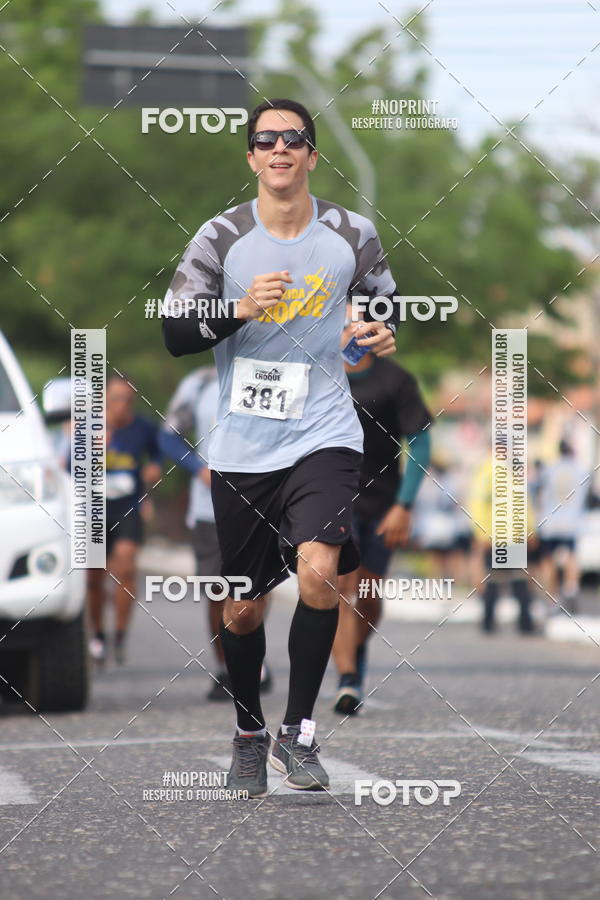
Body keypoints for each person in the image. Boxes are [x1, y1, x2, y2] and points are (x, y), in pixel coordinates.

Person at [162, 98, 399, 797]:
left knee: (321, 573)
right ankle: (247, 731)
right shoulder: (221, 235)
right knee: (242, 605)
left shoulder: (352, 232)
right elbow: (175, 332)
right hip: (241, 444)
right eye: (266, 140)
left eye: (294, 139)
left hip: (323, 431)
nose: (280, 149)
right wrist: (238, 308)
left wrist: (379, 336)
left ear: (312, 156)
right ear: (252, 157)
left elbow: (382, 307)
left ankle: (298, 734)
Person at [332, 308, 431, 715]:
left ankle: (354, 651)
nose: (350, 332)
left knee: (368, 594)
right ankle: (348, 678)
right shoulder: (314, 374)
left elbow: (420, 443)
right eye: (341, 323)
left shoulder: (395, 379)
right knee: (341, 586)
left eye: (358, 324)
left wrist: (404, 506)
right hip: (330, 496)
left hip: (382, 501)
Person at [160, 367, 273, 700]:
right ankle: (226, 666)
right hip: (208, 507)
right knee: (217, 590)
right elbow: (167, 435)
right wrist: (199, 468)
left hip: (258, 503)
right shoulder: (197, 382)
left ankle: (254, 661)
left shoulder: (269, 370)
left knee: (255, 586)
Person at [87, 374, 162, 665]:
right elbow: (68, 467)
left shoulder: (143, 427)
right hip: (94, 509)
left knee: (126, 566)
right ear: (105, 399)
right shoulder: (90, 426)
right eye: (116, 399)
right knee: (93, 577)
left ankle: (119, 633)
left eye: (128, 400)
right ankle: (97, 635)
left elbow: (157, 454)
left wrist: (154, 469)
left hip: (128, 506)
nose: (122, 406)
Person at [469, 455, 536, 633]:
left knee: (511, 581)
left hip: (506, 536)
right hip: (498, 536)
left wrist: (529, 529)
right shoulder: (492, 472)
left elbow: (523, 504)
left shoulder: (502, 471)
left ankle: (510, 623)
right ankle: (501, 623)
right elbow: (479, 504)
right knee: (502, 581)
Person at [537, 440, 588, 614]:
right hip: (571, 522)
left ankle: (552, 597)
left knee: (549, 560)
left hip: (551, 522)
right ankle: (571, 587)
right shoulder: (581, 470)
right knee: (572, 557)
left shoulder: (550, 469)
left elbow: (541, 492)